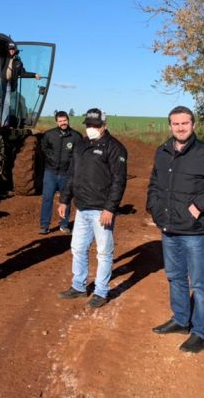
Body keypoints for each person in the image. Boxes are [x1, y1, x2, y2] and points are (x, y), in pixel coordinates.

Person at [147, 106, 204, 353]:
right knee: (175, 277)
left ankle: (200, 332)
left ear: (193, 124)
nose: (180, 128)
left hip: (195, 232)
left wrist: (200, 205)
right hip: (169, 229)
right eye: (175, 124)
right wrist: (153, 207)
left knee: (198, 283)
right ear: (170, 126)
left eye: (185, 123)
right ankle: (180, 320)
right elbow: (154, 183)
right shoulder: (163, 151)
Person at [57, 108, 127, 308]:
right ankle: (79, 286)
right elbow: (72, 175)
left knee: (104, 252)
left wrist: (110, 208)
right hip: (82, 208)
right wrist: (64, 200)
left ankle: (101, 291)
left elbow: (119, 181)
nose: (92, 129)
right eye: (88, 125)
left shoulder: (115, 148)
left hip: (101, 210)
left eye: (96, 126)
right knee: (78, 248)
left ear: (104, 126)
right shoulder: (80, 146)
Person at [39, 111, 82, 234]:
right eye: (60, 121)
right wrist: (50, 157)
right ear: (56, 122)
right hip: (50, 172)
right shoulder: (49, 134)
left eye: (65, 120)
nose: (63, 123)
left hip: (66, 174)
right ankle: (44, 225)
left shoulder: (76, 136)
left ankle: (64, 224)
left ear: (68, 120)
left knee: (66, 199)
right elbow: (43, 147)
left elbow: (78, 154)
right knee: (47, 198)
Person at [0, 42, 40, 126]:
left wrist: (34, 75)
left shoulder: (18, 62)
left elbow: (22, 73)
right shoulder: (2, 58)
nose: (11, 51)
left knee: (7, 103)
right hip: (0, 81)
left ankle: (3, 123)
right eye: (10, 49)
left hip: (9, 83)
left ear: (15, 50)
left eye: (13, 49)